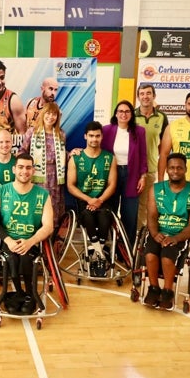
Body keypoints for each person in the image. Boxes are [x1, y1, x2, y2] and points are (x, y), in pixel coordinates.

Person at [0, 153, 54, 314]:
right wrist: (9, 240)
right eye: (20, 167)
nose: (24, 171)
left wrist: (31, 241)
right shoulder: (0, 191)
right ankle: (18, 292)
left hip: (30, 241)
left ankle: (30, 294)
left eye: (28, 168)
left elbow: (48, 226)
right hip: (9, 240)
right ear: (14, 169)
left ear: (33, 171)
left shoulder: (43, 195)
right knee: (11, 257)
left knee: (25, 258)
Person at [144, 153, 190, 310]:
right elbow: (151, 215)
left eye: (179, 167)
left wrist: (176, 238)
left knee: (167, 258)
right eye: (171, 167)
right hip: (159, 232)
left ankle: (167, 291)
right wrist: (154, 233)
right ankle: (153, 288)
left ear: (185, 169)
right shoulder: (156, 189)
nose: (175, 171)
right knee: (151, 255)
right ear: (166, 169)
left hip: (181, 235)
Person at [67, 121, 117, 273]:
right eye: (91, 136)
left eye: (97, 136)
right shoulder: (76, 158)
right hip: (84, 200)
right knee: (88, 216)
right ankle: (101, 254)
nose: (94, 139)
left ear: (102, 137)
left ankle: (96, 252)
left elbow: (112, 184)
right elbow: (70, 185)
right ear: (85, 137)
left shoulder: (110, 158)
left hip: (103, 200)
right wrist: (89, 200)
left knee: (104, 216)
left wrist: (99, 200)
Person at [101, 100, 147, 246]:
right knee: (110, 211)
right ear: (116, 113)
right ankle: (110, 246)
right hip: (111, 174)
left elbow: (143, 154)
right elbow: (96, 149)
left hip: (131, 174)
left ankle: (127, 249)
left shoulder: (139, 131)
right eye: (120, 111)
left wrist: (143, 176)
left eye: (127, 111)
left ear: (132, 114)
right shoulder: (106, 130)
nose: (123, 114)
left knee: (130, 214)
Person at [20, 102, 67, 232]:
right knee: (36, 207)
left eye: (54, 114)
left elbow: (62, 155)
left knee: (53, 211)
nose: (51, 117)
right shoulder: (32, 132)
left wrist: (72, 154)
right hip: (37, 177)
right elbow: (23, 150)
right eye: (48, 113)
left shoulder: (61, 134)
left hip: (55, 179)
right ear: (43, 114)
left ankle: (50, 244)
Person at [134, 83, 169, 229]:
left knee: (144, 205)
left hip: (149, 169)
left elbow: (164, 145)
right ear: (138, 97)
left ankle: (139, 237)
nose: (145, 96)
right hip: (131, 169)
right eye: (142, 94)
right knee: (129, 204)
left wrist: (161, 171)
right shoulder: (131, 115)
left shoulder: (161, 117)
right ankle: (125, 236)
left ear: (154, 96)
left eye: (148, 93)